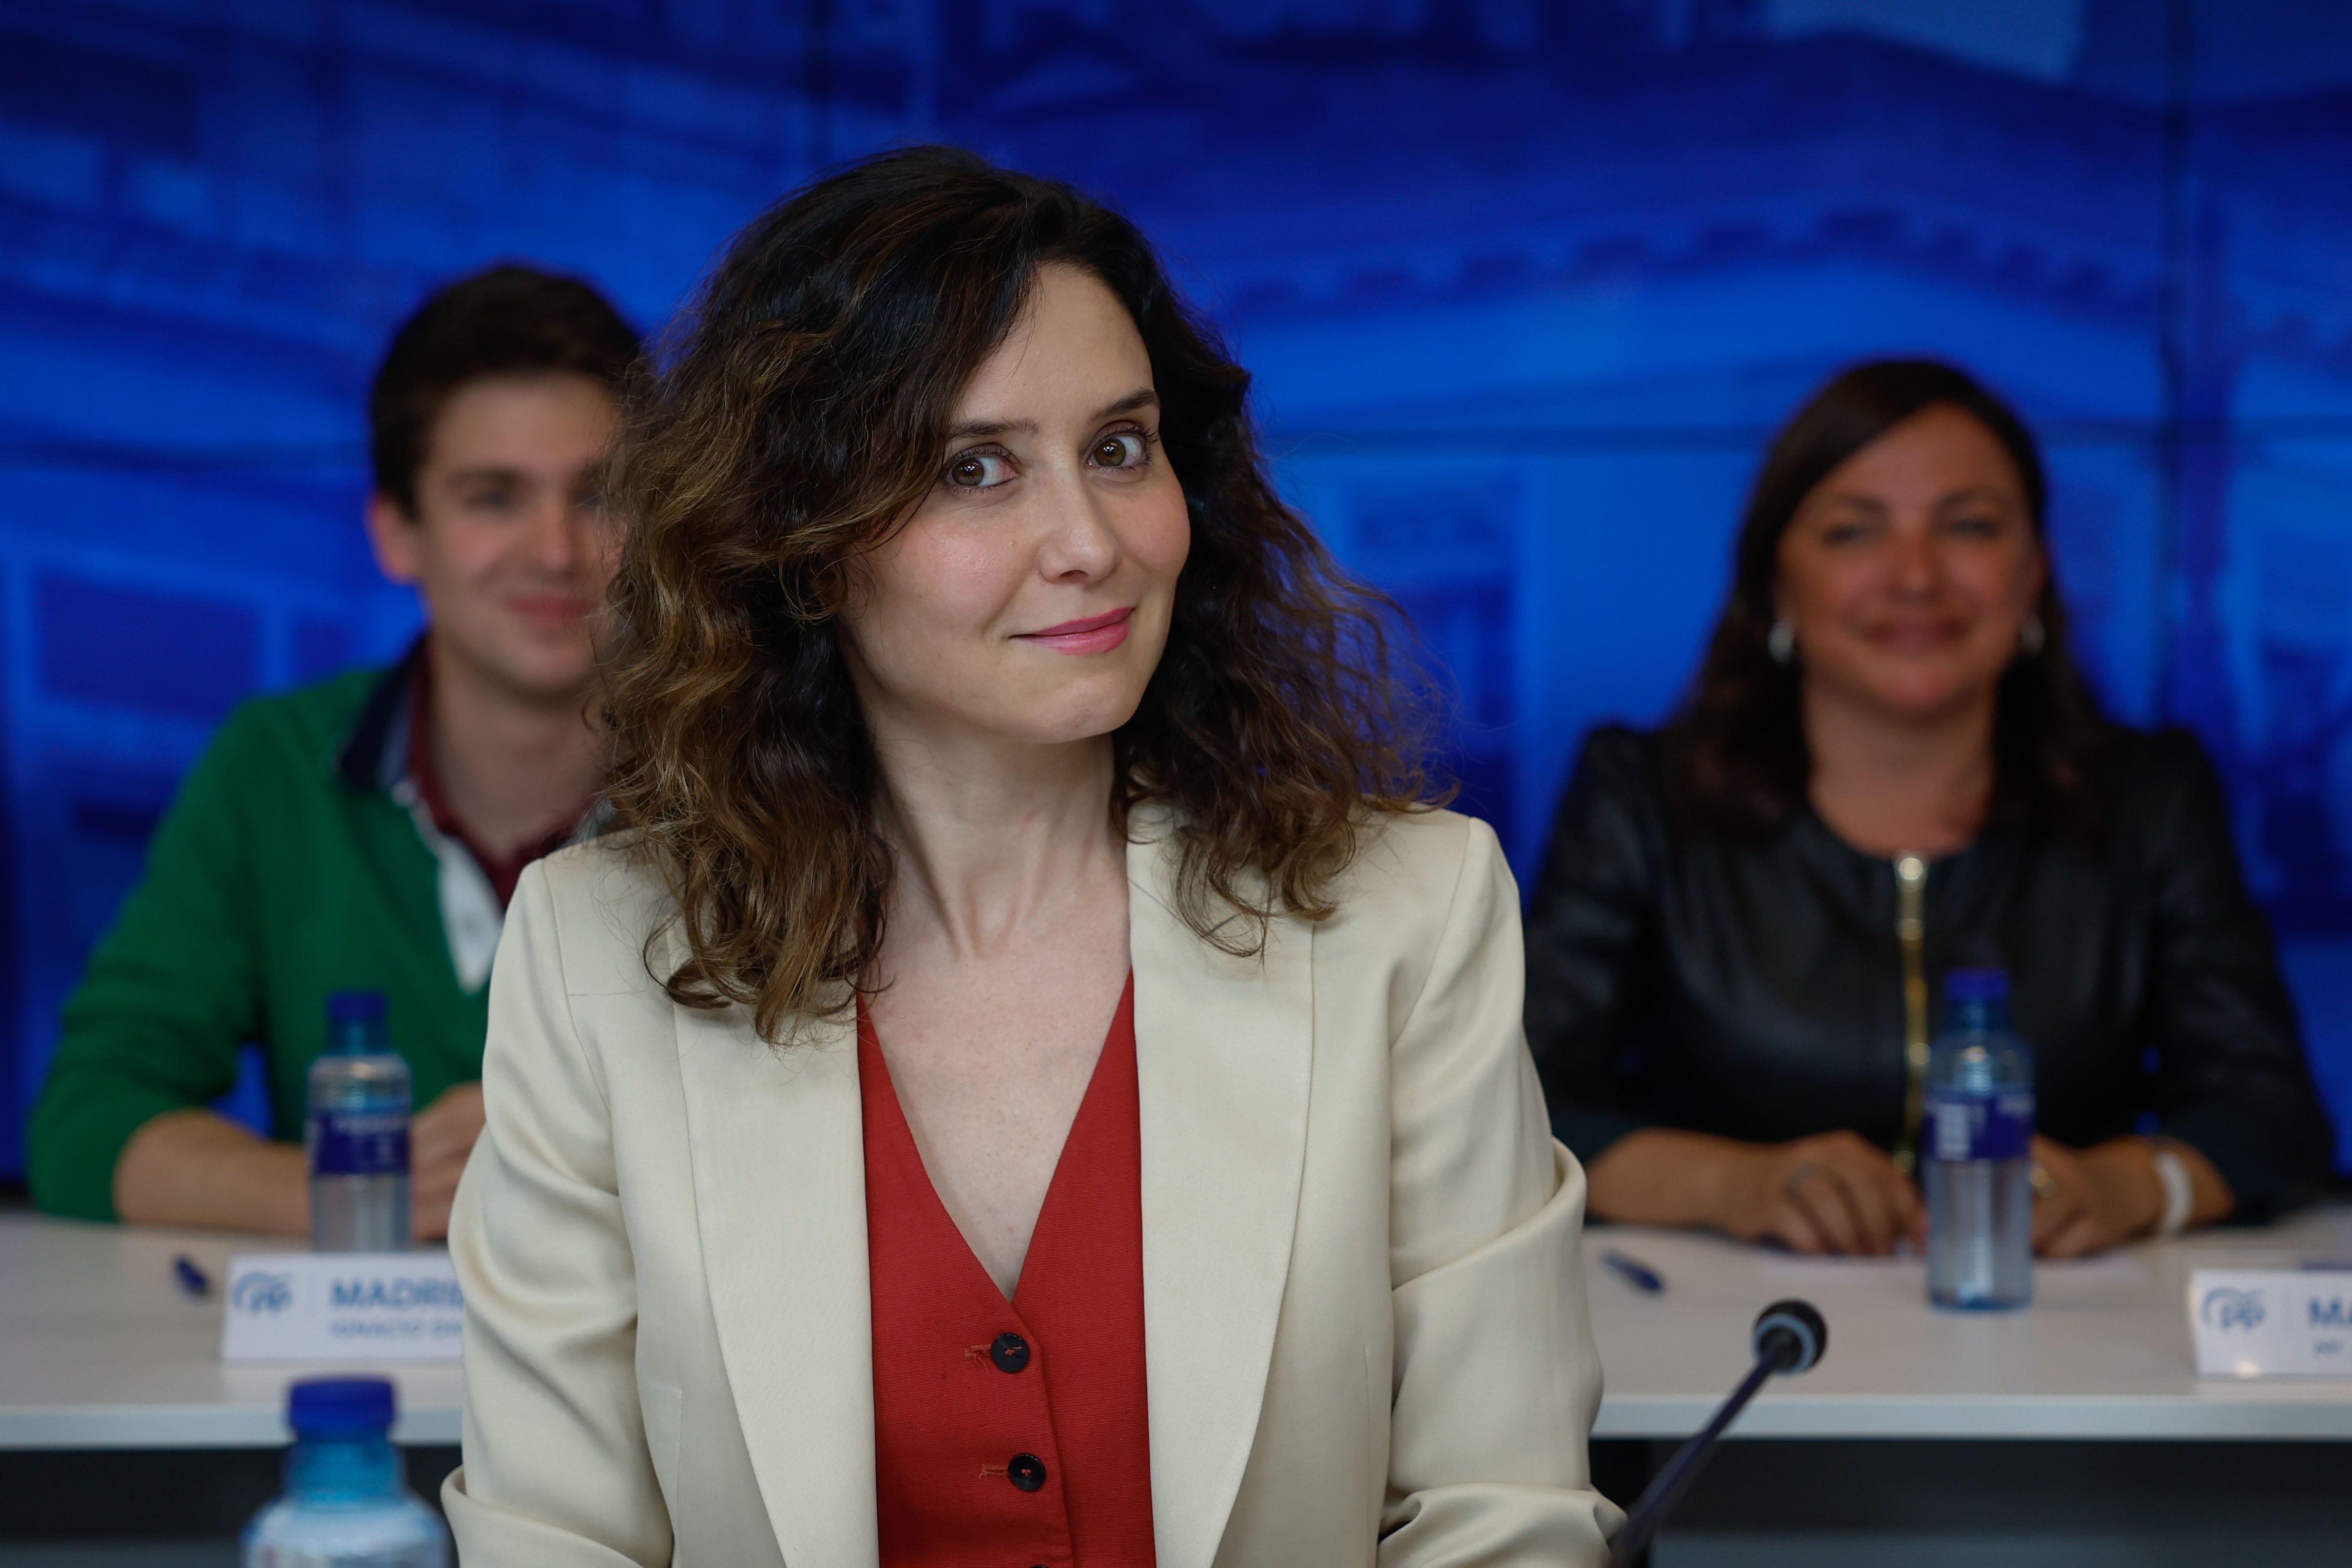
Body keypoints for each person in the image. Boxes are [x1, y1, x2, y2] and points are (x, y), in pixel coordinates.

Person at [444, 148, 1617, 1566]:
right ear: (807, 549)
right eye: (972, 469)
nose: (1089, 541)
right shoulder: (591, 952)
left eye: (1119, 448)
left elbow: (1504, 1516)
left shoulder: (1408, 916)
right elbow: (551, 1540)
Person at [1526, 359, 2335, 1261]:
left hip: (2064, 1345)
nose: (1914, 576)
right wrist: (1733, 1183)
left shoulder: (2148, 796)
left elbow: (2272, 1115)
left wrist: (2128, 1185)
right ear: (1775, 588)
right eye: (1852, 532)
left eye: (1969, 526)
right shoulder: (1640, 796)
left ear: (2034, 574)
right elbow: (1523, 1112)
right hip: (1732, 1339)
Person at [27, 265, 638, 1240]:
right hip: (350, 1372)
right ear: (396, 533)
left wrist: (611, 1149)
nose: (556, 551)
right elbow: (85, 1124)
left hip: (653, 1384)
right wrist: (370, 1187)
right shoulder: (273, 765)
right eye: (494, 498)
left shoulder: (751, 775)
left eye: (601, 496)